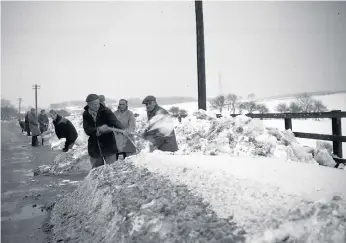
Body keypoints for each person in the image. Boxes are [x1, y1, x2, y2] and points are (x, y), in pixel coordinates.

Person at [82, 94, 126, 169]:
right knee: (96, 171)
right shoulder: (86, 114)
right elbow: (87, 130)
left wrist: (123, 129)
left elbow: (115, 122)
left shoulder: (106, 111)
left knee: (111, 169)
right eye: (94, 104)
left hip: (108, 145)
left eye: (98, 103)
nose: (97, 106)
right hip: (95, 147)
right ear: (89, 105)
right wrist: (98, 130)